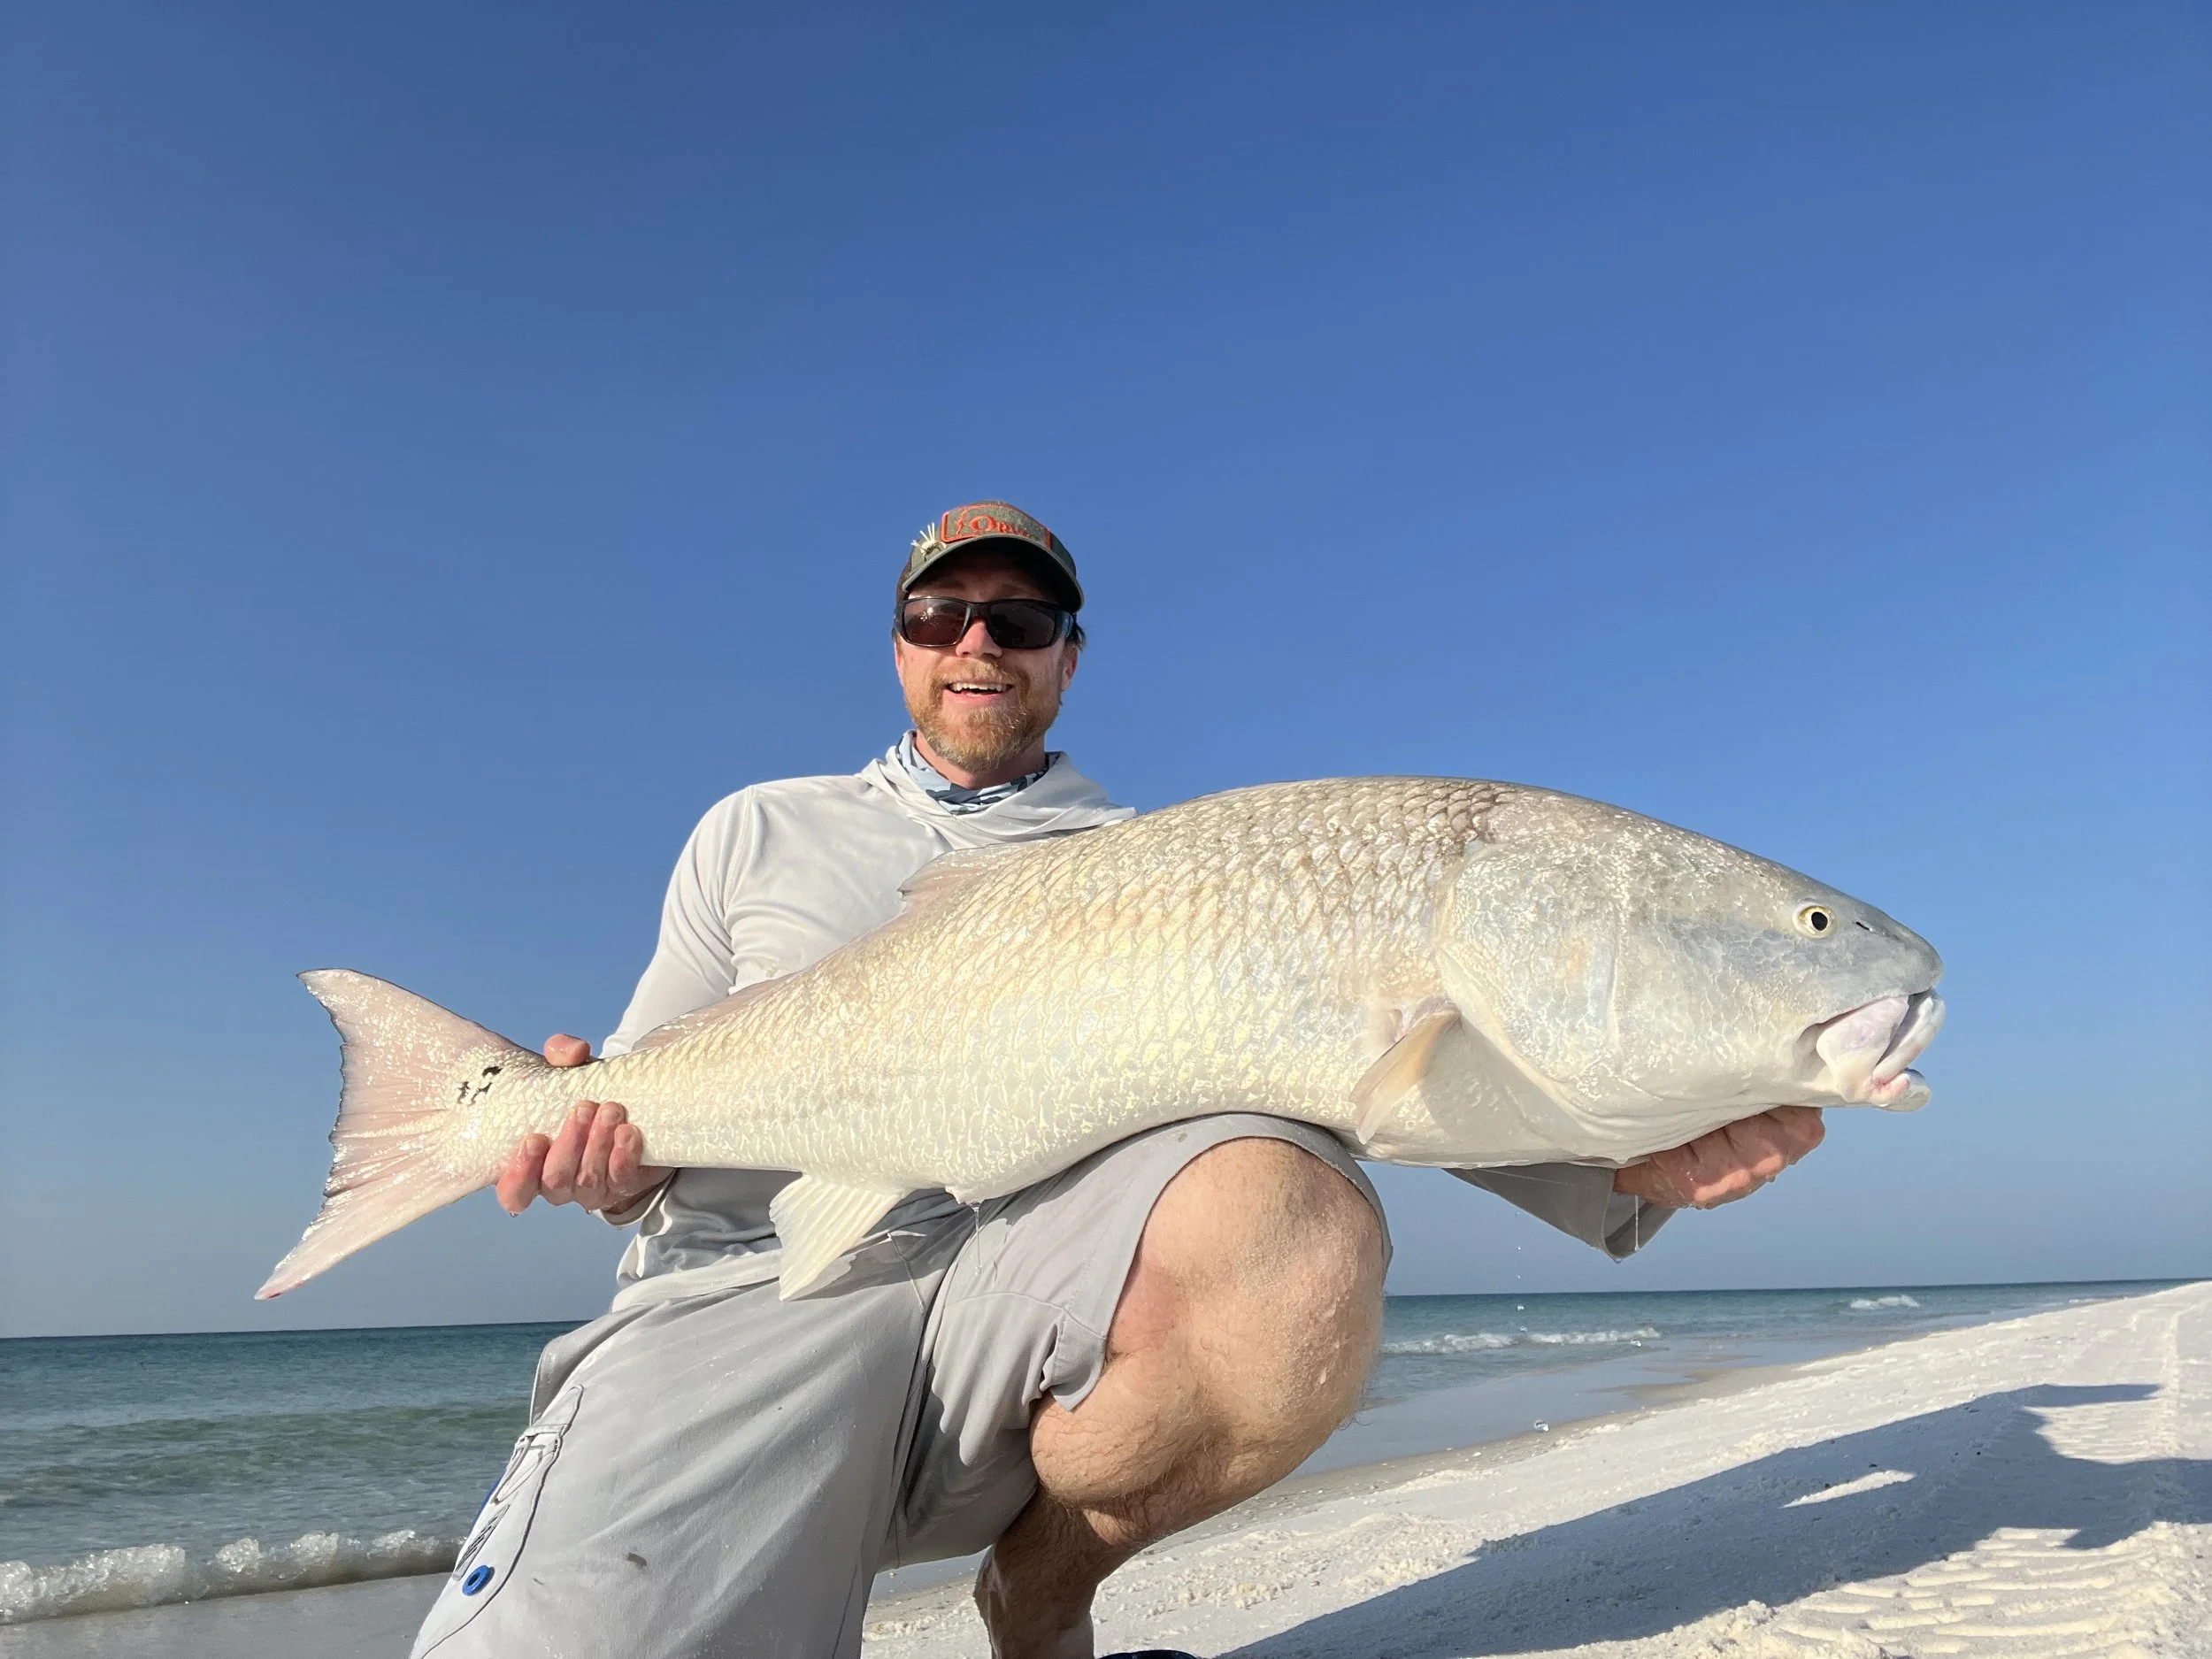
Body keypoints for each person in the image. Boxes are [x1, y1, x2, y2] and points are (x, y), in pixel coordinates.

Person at [409, 501, 1824, 1659]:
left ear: (1069, 656)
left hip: (1028, 1291)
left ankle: (1045, 1595)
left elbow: (1376, 1037)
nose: (978, 642)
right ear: (897, 646)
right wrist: (588, 1147)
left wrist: (1631, 1151)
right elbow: (641, 1113)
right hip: (760, 1290)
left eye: (1018, 620)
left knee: (1293, 1212)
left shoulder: (1162, 860)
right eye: (941, 615)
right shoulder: (755, 833)